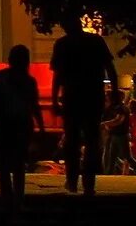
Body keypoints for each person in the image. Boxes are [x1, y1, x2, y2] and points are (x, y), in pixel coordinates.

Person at [50, 20, 117, 195]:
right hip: (93, 97)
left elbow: (57, 75)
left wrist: (54, 99)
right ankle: (89, 183)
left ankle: (72, 181)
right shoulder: (96, 41)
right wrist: (115, 91)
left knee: (72, 141)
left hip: (72, 98)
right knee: (92, 141)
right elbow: (110, 68)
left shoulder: (62, 44)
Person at [0, 44, 45, 211]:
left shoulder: (1, 77)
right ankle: (18, 198)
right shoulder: (29, 81)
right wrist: (41, 127)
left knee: (3, 163)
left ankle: (6, 196)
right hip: (22, 125)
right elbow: (34, 106)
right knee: (18, 165)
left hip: (4, 124)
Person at [101, 89, 131, 175]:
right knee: (111, 156)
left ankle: (109, 173)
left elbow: (118, 120)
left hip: (120, 134)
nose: (106, 97)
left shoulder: (120, 108)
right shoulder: (113, 107)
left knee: (125, 156)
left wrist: (105, 124)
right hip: (114, 134)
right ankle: (108, 173)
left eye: (108, 95)